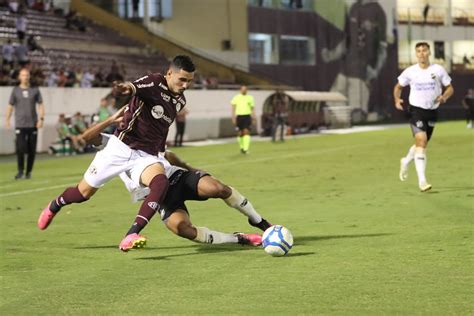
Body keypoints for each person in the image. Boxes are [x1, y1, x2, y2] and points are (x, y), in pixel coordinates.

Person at [37, 55, 196, 252]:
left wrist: (161, 151)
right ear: (169, 73)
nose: (186, 85)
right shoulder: (154, 81)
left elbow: (163, 127)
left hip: (145, 156)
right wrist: (124, 88)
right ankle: (55, 205)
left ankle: (132, 233)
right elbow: (133, 87)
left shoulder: (180, 101)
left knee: (160, 182)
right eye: (182, 79)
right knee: (82, 193)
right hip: (119, 148)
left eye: (189, 81)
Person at [77, 111, 271, 249]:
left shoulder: (143, 136)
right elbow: (86, 138)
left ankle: (260, 222)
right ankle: (238, 239)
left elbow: (167, 154)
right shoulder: (110, 142)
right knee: (182, 229)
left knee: (217, 188)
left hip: (175, 177)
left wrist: (190, 169)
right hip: (159, 197)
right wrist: (109, 120)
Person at [393, 42, 454, 192]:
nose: (421, 53)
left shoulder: (438, 70)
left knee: (421, 145)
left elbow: (450, 88)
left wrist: (444, 97)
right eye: (418, 51)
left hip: (432, 111)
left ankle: (406, 160)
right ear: (416, 54)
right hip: (416, 110)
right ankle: (422, 181)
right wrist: (397, 99)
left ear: (429, 52)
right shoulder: (410, 71)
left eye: (424, 50)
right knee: (421, 141)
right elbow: (398, 87)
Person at [5, 68, 45, 179]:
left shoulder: (35, 90)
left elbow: (41, 105)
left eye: (27, 75)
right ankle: (20, 171)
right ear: (19, 77)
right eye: (23, 75)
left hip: (33, 124)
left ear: (29, 76)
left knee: (32, 150)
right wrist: (7, 119)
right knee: (21, 149)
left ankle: (28, 172)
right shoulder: (15, 91)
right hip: (20, 125)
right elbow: (10, 106)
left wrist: (41, 119)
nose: (25, 77)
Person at [231, 85, 256, 154]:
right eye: (243, 89)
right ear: (240, 90)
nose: (244, 90)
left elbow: (252, 108)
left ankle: (246, 149)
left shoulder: (250, 98)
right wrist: (233, 117)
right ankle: (242, 147)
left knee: (246, 131)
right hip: (239, 117)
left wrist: (254, 117)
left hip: (247, 116)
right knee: (240, 133)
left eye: (245, 89)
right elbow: (233, 108)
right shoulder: (236, 97)